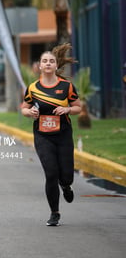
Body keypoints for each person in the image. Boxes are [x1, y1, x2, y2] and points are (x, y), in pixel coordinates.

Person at [20, 43, 81, 226]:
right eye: (44, 61)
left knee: (66, 175)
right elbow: (24, 108)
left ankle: (66, 185)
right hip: (42, 135)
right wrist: (29, 113)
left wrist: (68, 109)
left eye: (51, 61)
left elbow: (78, 107)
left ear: (56, 66)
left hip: (63, 135)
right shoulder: (33, 88)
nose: (47, 64)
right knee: (51, 173)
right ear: (39, 65)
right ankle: (54, 213)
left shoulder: (66, 86)